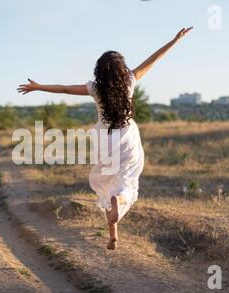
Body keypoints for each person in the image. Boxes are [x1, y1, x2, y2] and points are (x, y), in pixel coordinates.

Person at [18, 27, 193, 250]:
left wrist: (39, 87)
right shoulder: (129, 81)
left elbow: (64, 89)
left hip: (105, 139)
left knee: (108, 181)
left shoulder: (95, 88)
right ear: (122, 69)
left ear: (100, 70)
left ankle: (113, 236)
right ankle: (119, 201)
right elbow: (154, 59)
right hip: (127, 137)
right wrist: (174, 40)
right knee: (127, 179)